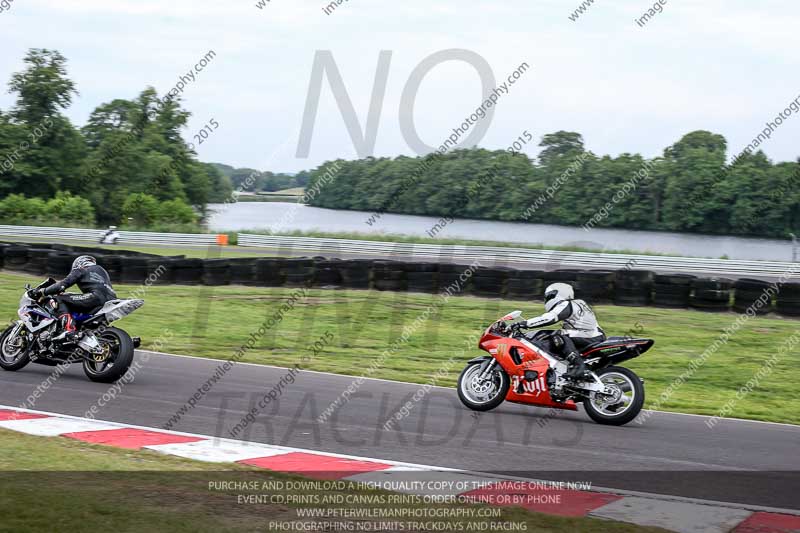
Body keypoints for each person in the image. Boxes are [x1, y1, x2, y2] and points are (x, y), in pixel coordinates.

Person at [522, 282, 605, 380]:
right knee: (557, 337)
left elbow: (550, 318)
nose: (547, 299)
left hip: (590, 335)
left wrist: (524, 323)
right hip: (591, 335)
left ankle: (579, 366)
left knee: (559, 336)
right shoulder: (578, 303)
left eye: (549, 296)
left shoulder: (568, 304)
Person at [29, 255, 117, 338]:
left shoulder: (81, 269)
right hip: (110, 299)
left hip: (95, 297)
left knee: (59, 299)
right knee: (70, 299)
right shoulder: (102, 271)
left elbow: (62, 285)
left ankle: (68, 329)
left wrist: (43, 291)